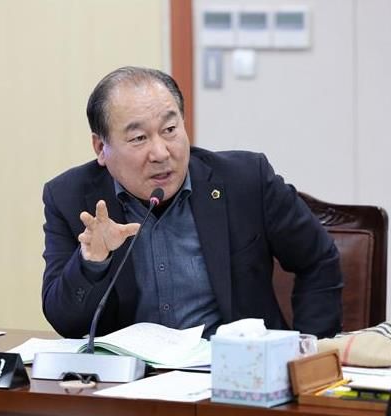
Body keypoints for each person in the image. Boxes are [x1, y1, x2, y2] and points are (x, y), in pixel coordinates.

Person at [41, 66, 343, 340]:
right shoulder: (70, 198)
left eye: (170, 130)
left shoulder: (246, 181)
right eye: (139, 138)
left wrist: (308, 353)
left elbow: (318, 259)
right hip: (133, 377)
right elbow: (65, 322)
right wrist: (92, 262)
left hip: (236, 370)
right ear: (101, 148)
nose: (161, 153)